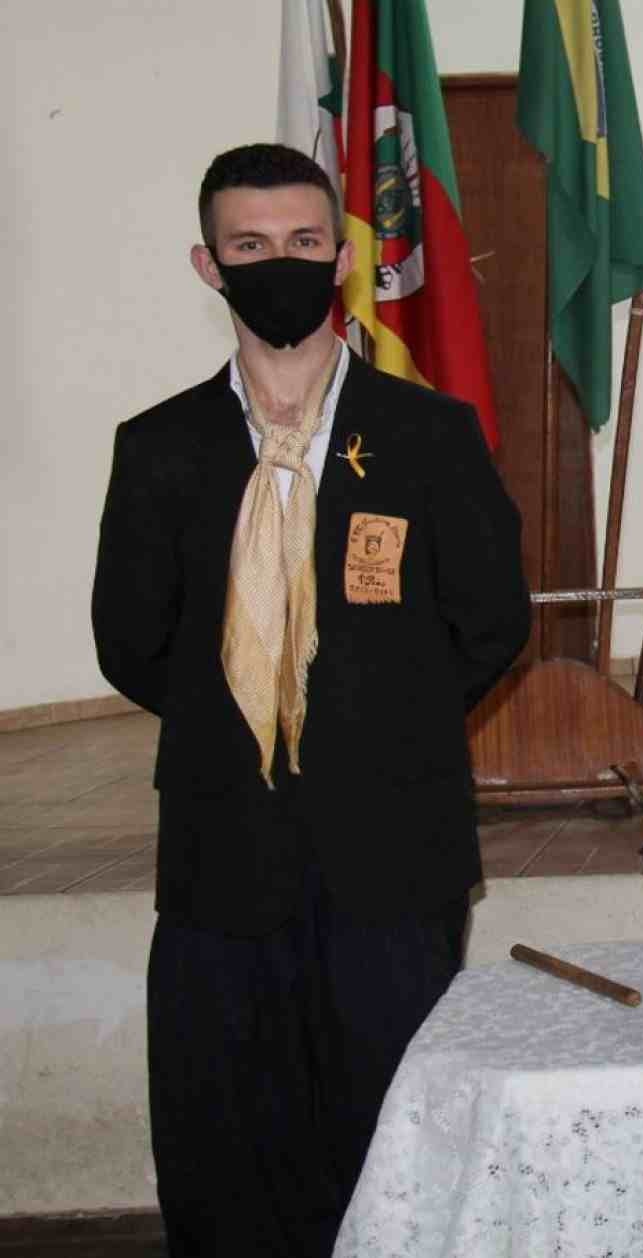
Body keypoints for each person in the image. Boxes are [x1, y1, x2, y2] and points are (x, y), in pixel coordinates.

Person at [91, 143, 530, 1257]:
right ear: (209, 265)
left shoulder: (430, 435)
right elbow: (130, 642)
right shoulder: (158, 448)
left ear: (340, 257)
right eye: (249, 245)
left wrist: (373, 722)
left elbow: (491, 621)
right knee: (224, 1148)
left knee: (394, 1137)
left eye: (301, 241)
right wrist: (241, 715)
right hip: (221, 853)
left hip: (393, 849)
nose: (277, 262)